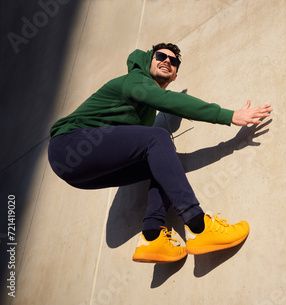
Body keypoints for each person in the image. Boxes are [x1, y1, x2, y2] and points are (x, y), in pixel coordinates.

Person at [48, 42, 273, 263]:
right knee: (158, 137)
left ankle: (152, 237)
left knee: (163, 163)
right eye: (160, 57)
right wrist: (227, 115)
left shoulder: (145, 112)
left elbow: (160, 111)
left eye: (173, 62)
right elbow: (170, 101)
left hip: (81, 175)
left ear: (174, 76)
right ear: (149, 61)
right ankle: (199, 226)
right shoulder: (135, 80)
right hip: (68, 145)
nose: (167, 61)